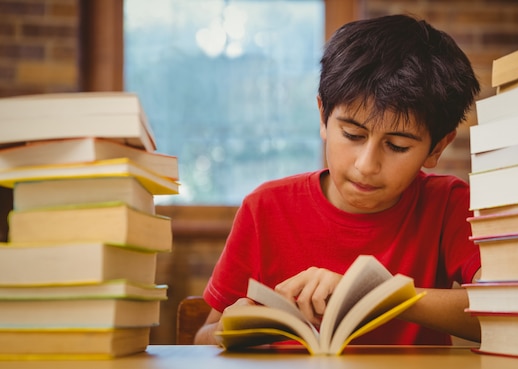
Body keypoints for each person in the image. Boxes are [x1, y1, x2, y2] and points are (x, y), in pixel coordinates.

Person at [195, 13, 482, 346]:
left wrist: (383, 295)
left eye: (397, 146)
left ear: (438, 147)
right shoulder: (265, 208)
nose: (366, 165)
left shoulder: (448, 203)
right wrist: (231, 329)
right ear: (323, 117)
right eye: (352, 134)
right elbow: (200, 339)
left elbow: (510, 313)